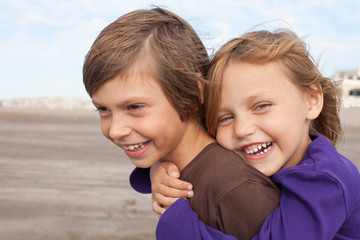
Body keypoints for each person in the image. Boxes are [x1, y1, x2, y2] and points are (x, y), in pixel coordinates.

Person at [131, 29, 360, 239]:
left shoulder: (325, 180)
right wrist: (158, 169)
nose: (242, 129)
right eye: (226, 118)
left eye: (261, 106)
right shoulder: (287, 157)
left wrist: (178, 225)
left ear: (311, 101)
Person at [82, 7, 280, 240]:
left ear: (193, 95)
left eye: (134, 107)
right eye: (103, 109)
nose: (115, 130)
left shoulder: (235, 188)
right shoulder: (174, 173)